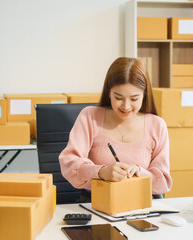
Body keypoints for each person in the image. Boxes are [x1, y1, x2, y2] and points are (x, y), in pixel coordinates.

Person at [59, 57, 172, 203]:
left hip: (141, 204)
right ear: (108, 93)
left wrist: (140, 172)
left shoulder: (157, 126)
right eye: (118, 97)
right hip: (96, 203)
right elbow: (69, 163)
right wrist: (101, 172)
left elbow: (163, 181)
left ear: (144, 95)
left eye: (134, 99)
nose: (126, 106)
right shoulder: (89, 117)